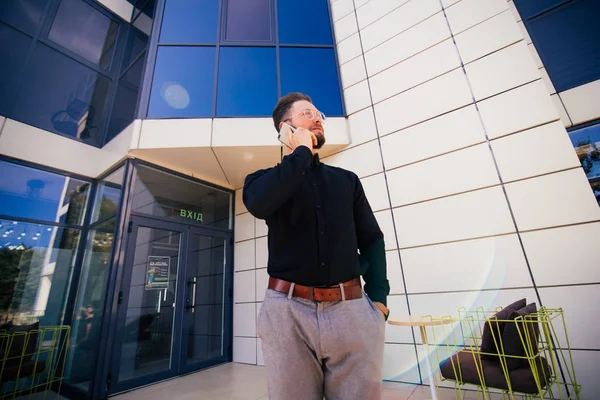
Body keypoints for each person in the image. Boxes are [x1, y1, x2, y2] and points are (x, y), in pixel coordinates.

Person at [243, 92, 390, 400]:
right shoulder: (262, 181)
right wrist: (300, 153)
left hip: (351, 309)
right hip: (287, 313)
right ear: (285, 128)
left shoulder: (347, 181)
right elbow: (258, 205)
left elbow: (372, 239)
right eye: (307, 114)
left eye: (318, 114)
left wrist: (378, 300)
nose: (318, 118)